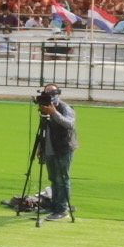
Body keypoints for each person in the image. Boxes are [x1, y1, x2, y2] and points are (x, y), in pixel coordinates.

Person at [35, 84, 78, 219]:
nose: (50, 95)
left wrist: (54, 113)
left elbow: (69, 124)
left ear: (58, 93)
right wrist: (40, 148)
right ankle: (53, 206)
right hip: (49, 148)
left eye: (53, 93)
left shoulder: (65, 108)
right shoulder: (45, 107)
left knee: (62, 179)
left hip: (63, 147)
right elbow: (44, 130)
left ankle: (62, 209)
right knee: (53, 178)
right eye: (47, 92)